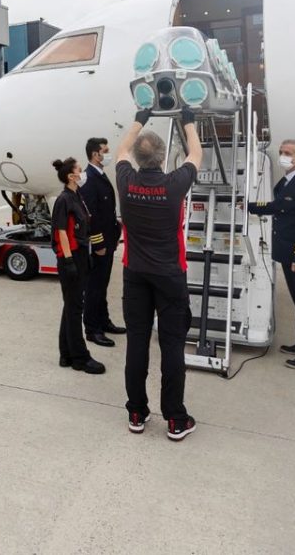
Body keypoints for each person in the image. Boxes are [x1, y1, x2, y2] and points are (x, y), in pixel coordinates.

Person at [114, 108, 203, 440]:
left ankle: (136, 412)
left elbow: (121, 150)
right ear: (164, 157)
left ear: (137, 157)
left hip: (135, 273)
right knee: (172, 347)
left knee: (136, 343)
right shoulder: (173, 184)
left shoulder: (126, 181)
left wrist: (139, 118)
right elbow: (196, 154)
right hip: (169, 275)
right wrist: (189, 120)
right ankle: (175, 419)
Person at [247, 140, 295, 370]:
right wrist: (249, 206)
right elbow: (277, 205)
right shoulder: (288, 180)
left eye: (288, 153)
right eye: (281, 152)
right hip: (288, 254)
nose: (282, 156)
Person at [51, 157, 105, 375]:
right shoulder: (64, 200)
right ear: (71, 176)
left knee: (71, 306)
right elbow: (61, 232)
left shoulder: (76, 196)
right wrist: (68, 260)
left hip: (80, 255)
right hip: (70, 257)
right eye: (79, 171)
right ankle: (80, 358)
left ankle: (65, 353)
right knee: (75, 309)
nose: (82, 174)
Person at [79, 137, 126, 347]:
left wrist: (115, 231)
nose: (108, 154)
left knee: (102, 285)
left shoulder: (99, 174)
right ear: (95, 155)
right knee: (94, 287)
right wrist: (98, 244)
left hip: (108, 241)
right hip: (98, 245)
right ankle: (92, 329)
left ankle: (104, 321)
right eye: (105, 151)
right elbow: (91, 218)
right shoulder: (88, 179)